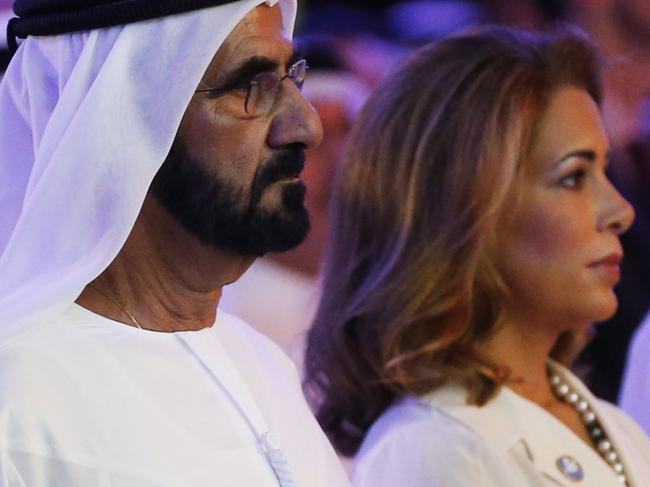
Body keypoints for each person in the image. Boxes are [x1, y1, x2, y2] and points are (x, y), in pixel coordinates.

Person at [0, 0, 349, 485]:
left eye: (293, 77)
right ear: (121, 118)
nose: (305, 126)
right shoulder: (17, 399)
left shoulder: (263, 363)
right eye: (252, 86)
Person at [304, 26, 650, 486]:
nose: (620, 211)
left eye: (604, 170)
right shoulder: (434, 450)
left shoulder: (613, 427)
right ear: (464, 211)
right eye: (573, 177)